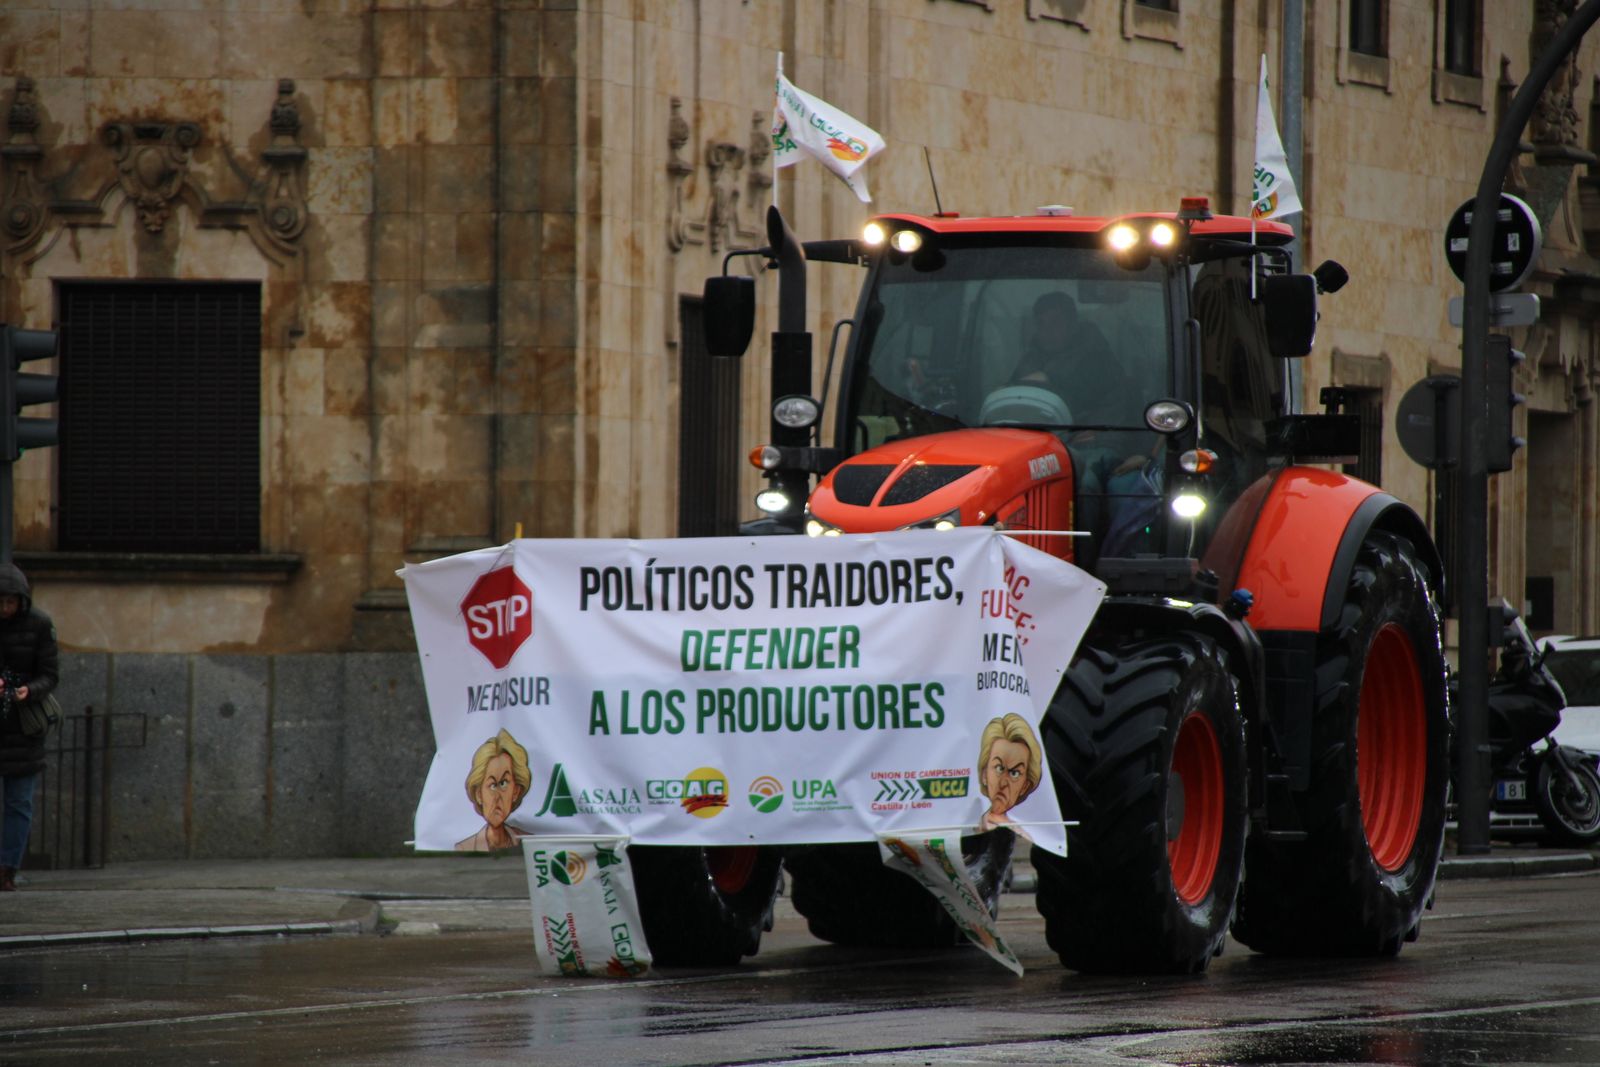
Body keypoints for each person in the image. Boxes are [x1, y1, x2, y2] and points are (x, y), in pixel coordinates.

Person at [0, 562, 60, 891]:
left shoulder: (39, 625)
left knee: (19, 801)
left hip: (23, 724)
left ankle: (8, 868)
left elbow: (50, 674)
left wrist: (29, 690)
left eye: (11, 601)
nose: (5, 609)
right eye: (1, 602)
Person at [1008, 291, 1125, 417]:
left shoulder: (1099, 362)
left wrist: (1049, 378)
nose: (1047, 330)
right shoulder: (1030, 360)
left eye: (1055, 322)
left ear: (1073, 325)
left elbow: (1111, 411)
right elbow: (1011, 400)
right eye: (1041, 323)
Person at [455, 728, 533, 852]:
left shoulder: (530, 843)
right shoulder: (463, 848)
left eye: (503, 783)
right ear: (479, 794)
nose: (497, 796)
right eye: (492, 785)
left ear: (515, 791)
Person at [976, 712, 1042, 841]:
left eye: (1014, 773)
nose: (1003, 783)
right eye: (999, 768)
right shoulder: (963, 824)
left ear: (1025, 786)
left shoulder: (1026, 838)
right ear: (984, 773)